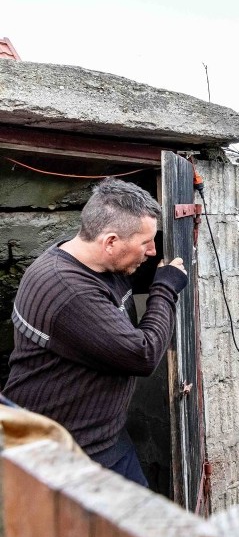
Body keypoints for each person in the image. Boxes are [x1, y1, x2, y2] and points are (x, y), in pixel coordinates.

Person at [3, 178, 187, 486]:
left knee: (139, 528)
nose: (153, 251)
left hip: (103, 437)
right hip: (60, 455)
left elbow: (131, 275)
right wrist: (165, 288)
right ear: (111, 242)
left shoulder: (95, 261)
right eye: (146, 243)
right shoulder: (67, 290)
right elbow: (142, 355)